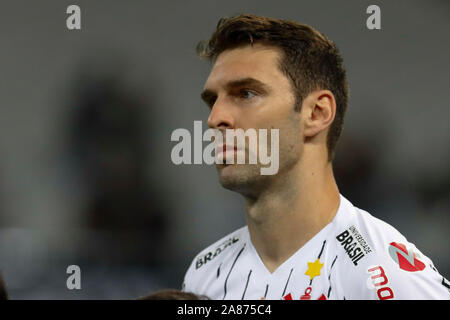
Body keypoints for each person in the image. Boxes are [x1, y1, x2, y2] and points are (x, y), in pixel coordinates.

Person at [182, 14, 450, 300]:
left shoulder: (383, 278)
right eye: (213, 100)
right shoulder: (205, 274)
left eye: (245, 93)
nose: (215, 118)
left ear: (316, 114)